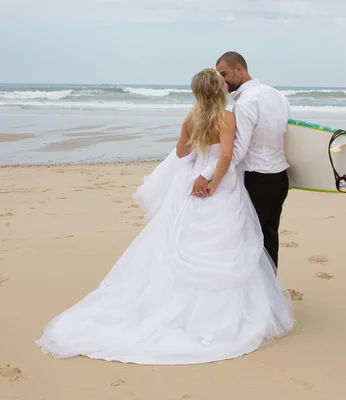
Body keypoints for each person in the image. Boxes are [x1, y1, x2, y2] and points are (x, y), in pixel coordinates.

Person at [34, 68, 295, 365]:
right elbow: (225, 156)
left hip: (189, 184)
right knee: (227, 242)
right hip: (219, 184)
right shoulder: (227, 117)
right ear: (218, 90)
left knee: (180, 239)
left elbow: (182, 153)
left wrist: (195, 146)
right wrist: (212, 182)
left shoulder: (191, 117)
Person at [193, 51, 291, 271]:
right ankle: (269, 293)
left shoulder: (245, 103)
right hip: (279, 179)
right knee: (269, 239)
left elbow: (236, 151)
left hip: (257, 180)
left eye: (224, 73)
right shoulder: (278, 95)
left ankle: (255, 298)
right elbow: (287, 135)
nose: (221, 80)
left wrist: (206, 174)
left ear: (240, 69)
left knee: (249, 241)